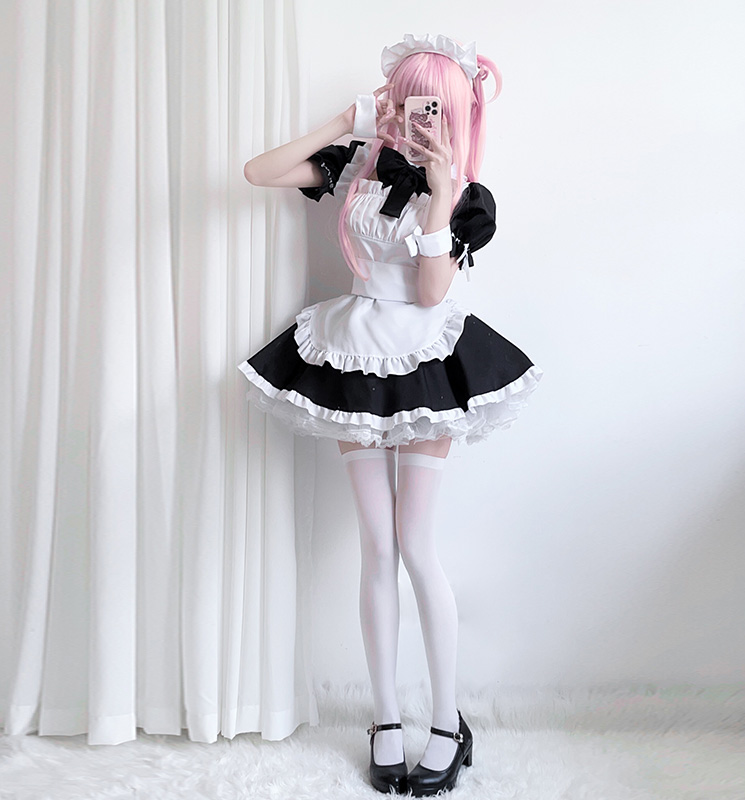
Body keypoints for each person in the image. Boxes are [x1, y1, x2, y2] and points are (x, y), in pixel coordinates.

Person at [239, 33, 543, 797]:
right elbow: (259, 172)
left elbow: (434, 293)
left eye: (434, 104)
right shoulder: (359, 165)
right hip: (353, 350)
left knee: (415, 546)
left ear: (460, 110)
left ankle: (444, 721)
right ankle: (384, 719)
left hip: (426, 356)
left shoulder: (466, 195)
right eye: (409, 100)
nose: (418, 115)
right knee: (378, 547)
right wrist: (347, 121)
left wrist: (439, 191)